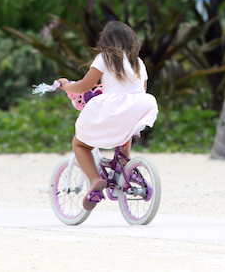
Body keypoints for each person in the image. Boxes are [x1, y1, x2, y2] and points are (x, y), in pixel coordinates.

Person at [57, 21, 158, 211]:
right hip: (141, 105)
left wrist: (65, 85)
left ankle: (95, 181)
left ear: (106, 40)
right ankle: (123, 170)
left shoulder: (104, 57)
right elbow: (141, 90)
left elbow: (85, 86)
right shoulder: (138, 62)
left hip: (113, 107)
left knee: (79, 143)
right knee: (125, 133)